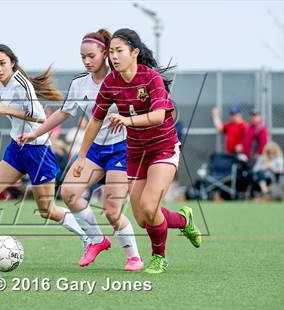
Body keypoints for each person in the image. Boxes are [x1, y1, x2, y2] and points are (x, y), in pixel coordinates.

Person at [73, 28, 202, 274]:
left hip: (163, 147)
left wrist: (127, 121)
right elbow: (96, 121)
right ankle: (184, 221)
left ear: (135, 52)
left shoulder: (150, 78)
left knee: (150, 205)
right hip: (136, 152)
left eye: (119, 51)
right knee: (143, 218)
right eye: (111, 52)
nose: (114, 57)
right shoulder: (111, 82)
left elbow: (158, 115)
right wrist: (81, 157)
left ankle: (158, 257)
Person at [19, 29, 143, 271]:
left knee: (112, 210)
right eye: (82, 57)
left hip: (122, 149)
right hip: (94, 148)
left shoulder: (123, 78)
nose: (86, 61)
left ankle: (134, 257)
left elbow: (142, 107)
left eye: (91, 56)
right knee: (68, 193)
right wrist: (36, 132)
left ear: (105, 53)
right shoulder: (80, 84)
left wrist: (128, 118)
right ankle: (97, 240)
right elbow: (64, 113)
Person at [0, 44, 89, 263]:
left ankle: (88, 237)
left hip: (38, 151)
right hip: (16, 149)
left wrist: (6, 110)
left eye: (2, 63)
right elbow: (0, 107)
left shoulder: (22, 83)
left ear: (12, 62)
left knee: (47, 210)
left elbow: (39, 118)